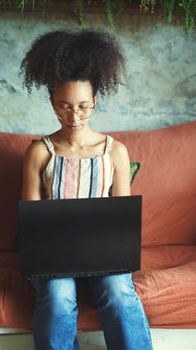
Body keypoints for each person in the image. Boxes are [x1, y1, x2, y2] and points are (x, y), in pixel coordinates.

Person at [19, 28, 153, 350]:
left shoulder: (115, 151)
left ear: (95, 101)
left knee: (120, 293)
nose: (74, 116)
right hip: (52, 254)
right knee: (58, 296)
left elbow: (121, 220)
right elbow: (31, 220)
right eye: (64, 106)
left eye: (82, 106)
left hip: (104, 254)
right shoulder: (39, 152)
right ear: (52, 101)